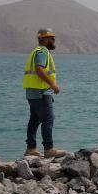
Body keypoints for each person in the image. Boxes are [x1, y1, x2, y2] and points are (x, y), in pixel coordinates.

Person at [23, 28, 66, 157]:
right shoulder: (42, 52)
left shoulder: (36, 51)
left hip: (32, 91)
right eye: (51, 38)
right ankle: (48, 149)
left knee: (35, 120)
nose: (53, 40)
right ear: (44, 39)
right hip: (41, 92)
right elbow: (39, 69)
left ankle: (31, 149)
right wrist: (52, 84)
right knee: (48, 119)